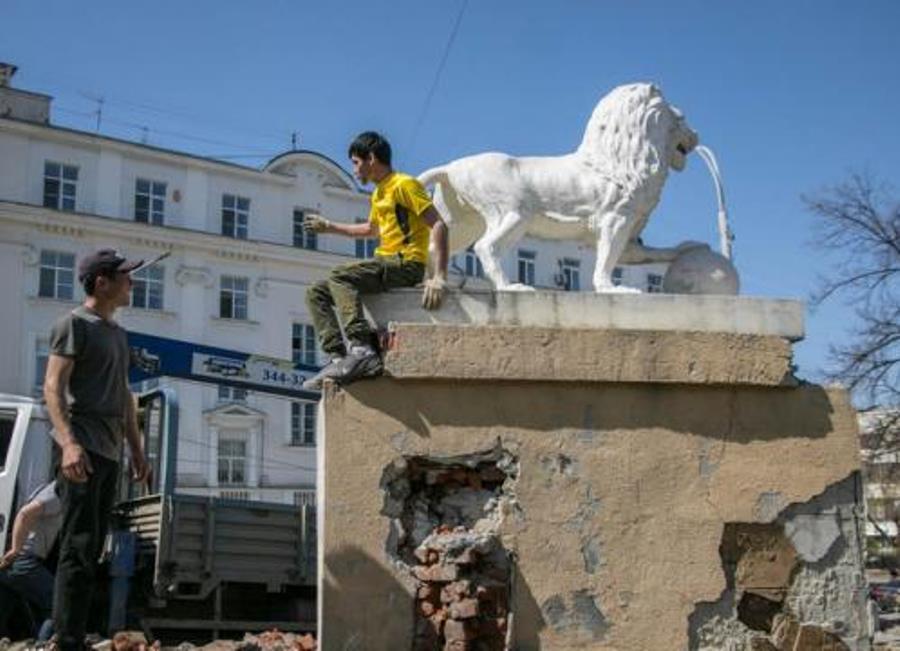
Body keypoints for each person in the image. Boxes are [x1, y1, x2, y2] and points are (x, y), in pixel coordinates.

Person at [43, 248, 150, 651]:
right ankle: (66, 638)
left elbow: (124, 396)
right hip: (81, 447)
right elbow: (52, 386)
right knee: (78, 544)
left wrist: (137, 451)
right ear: (101, 282)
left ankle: (74, 634)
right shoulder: (74, 324)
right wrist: (68, 444)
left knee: (94, 547)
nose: (132, 283)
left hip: (109, 452)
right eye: (125, 276)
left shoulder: (119, 334)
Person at [302, 131, 448, 389]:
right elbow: (370, 230)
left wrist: (439, 277)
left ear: (371, 158)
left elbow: (438, 224)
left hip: (406, 264)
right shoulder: (379, 193)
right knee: (316, 292)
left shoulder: (405, 185)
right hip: (385, 263)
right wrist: (329, 226)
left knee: (340, 275)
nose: (355, 170)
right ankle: (338, 358)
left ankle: (362, 350)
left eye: (356, 162)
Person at [0, 481, 62, 640]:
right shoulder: (56, 493)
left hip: (13, 562)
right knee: (57, 605)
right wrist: (16, 549)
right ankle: (42, 647)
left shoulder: (44, 490)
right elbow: (24, 513)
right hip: (24, 560)